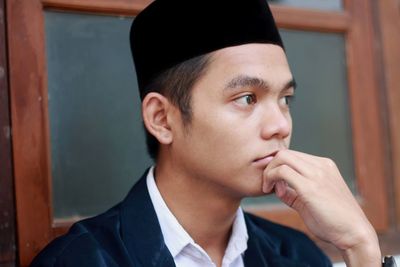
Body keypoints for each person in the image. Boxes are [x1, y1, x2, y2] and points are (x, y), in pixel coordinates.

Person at [31, 0, 388, 266]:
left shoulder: (297, 255)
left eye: (285, 99)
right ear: (162, 119)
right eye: (247, 98)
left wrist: (360, 246)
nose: (280, 125)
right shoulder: (83, 259)